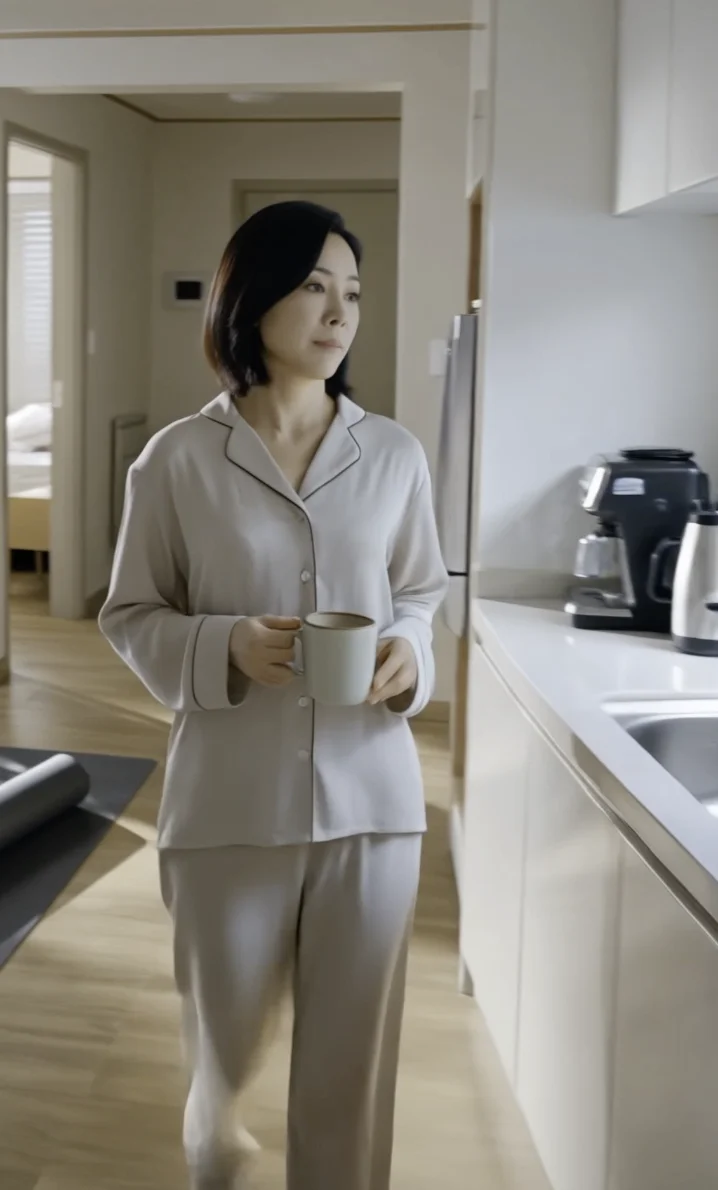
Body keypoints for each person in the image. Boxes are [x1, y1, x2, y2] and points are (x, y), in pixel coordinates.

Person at [99, 200, 449, 1190]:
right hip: (227, 803)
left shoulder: (393, 456)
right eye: (313, 287)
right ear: (251, 301)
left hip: (370, 803)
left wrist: (410, 649)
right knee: (225, 1049)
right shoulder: (176, 458)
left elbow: (421, 588)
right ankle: (212, 1132)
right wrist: (226, 643)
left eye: (352, 294)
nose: (339, 312)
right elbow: (129, 612)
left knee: (348, 1070)